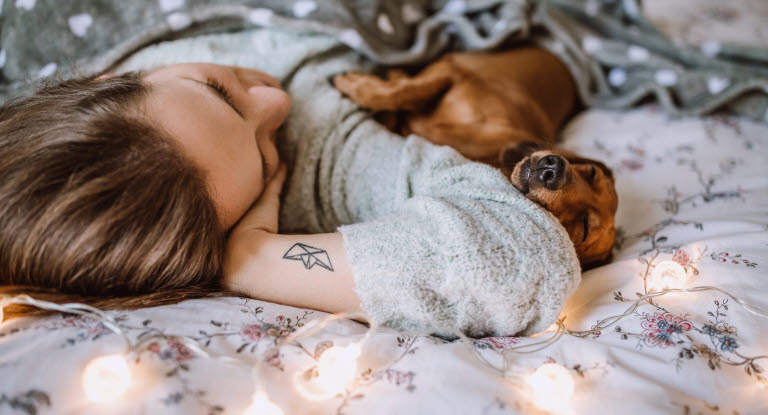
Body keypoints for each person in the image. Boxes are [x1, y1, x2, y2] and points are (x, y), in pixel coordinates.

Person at [0, 57, 580, 337]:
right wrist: (251, 259)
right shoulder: (330, 159)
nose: (274, 104)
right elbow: (521, 257)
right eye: (261, 153)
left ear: (107, 76)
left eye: (216, 89)